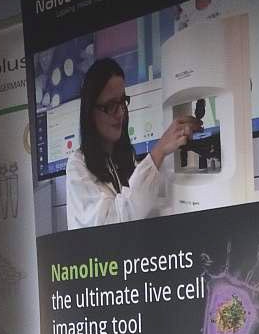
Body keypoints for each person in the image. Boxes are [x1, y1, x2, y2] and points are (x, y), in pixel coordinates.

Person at [65, 58, 201, 229]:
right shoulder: (77, 166)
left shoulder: (124, 157)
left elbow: (145, 205)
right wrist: (158, 152)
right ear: (90, 112)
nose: (120, 113)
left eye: (122, 101)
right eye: (111, 105)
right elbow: (112, 223)